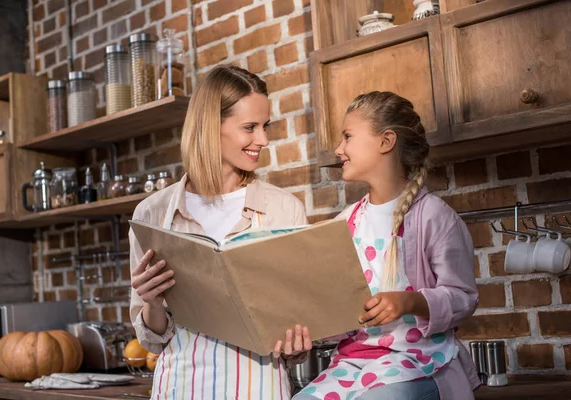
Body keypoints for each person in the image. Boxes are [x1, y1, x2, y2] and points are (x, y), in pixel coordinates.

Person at [129, 65, 311, 399]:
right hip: (181, 388)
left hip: (260, 389)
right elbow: (152, 339)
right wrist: (152, 303)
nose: (264, 140)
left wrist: (298, 340)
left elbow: (296, 328)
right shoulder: (152, 214)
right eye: (249, 128)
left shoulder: (284, 210)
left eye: (265, 126)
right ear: (211, 127)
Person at [294, 91, 480, 400]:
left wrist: (410, 303)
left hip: (420, 361)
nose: (339, 149)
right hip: (353, 363)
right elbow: (341, 315)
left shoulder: (433, 217)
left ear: (386, 141)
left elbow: (463, 298)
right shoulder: (345, 223)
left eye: (348, 137)